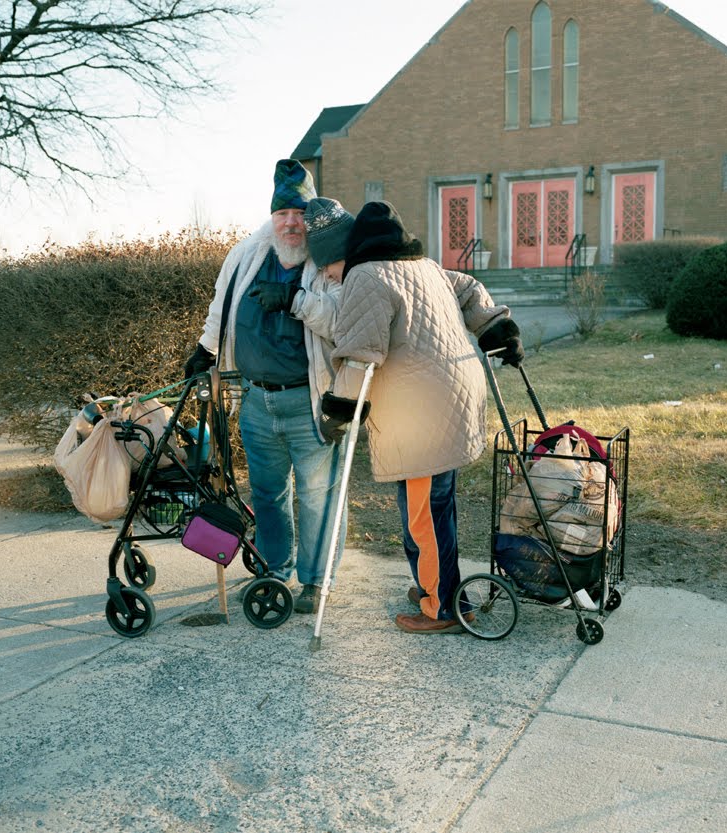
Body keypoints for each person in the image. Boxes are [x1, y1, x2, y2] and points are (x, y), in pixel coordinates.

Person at [321, 201, 524, 634]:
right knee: (434, 503)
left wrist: (339, 410)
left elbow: (359, 357)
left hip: (421, 413)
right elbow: (469, 288)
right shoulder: (426, 267)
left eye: (328, 265)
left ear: (349, 252)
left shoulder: (365, 276)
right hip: (451, 398)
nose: (327, 275)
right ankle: (434, 585)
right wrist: (495, 328)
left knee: (424, 514)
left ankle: (443, 608)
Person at [183, 161, 348, 614]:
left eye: (299, 212)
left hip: (311, 400)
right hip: (257, 399)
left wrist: (295, 300)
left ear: (311, 216)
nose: (291, 223)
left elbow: (341, 321)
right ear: (271, 216)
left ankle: (316, 582)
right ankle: (275, 571)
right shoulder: (246, 255)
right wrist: (206, 349)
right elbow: (222, 307)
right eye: (282, 213)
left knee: (318, 497)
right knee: (267, 494)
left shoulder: (327, 260)